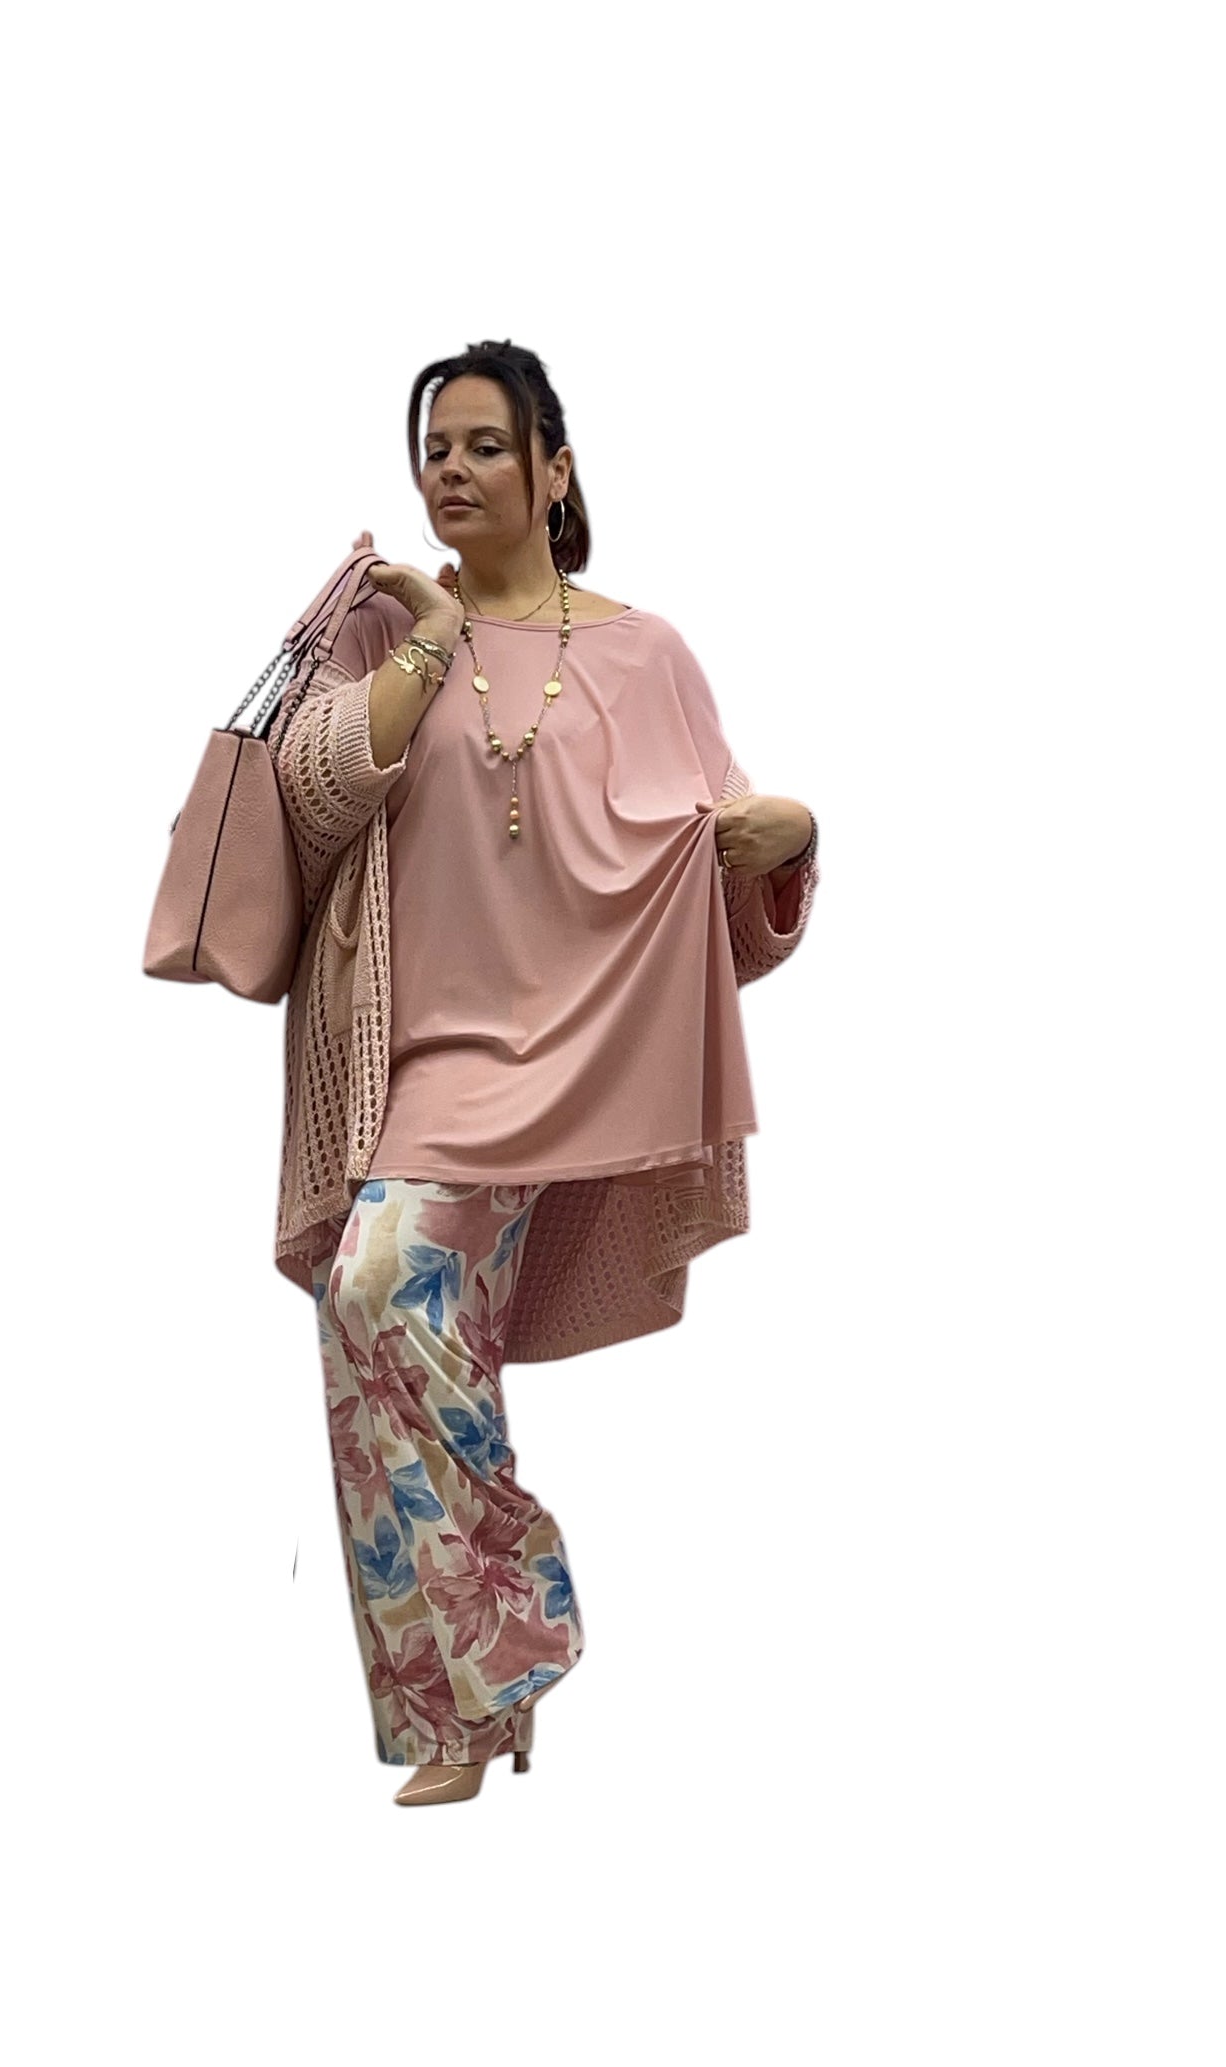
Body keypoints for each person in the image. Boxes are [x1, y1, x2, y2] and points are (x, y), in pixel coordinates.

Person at [266, 338, 820, 1808]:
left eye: (485, 445)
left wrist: (791, 842)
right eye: (434, 446)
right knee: (382, 1316)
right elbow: (314, 799)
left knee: (390, 1305)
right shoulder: (384, 628)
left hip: (580, 1055)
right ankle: (489, 1671)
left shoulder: (646, 652)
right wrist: (434, 637)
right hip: (419, 1057)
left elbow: (716, 850)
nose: (452, 469)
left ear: (554, 469)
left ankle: (475, 1689)